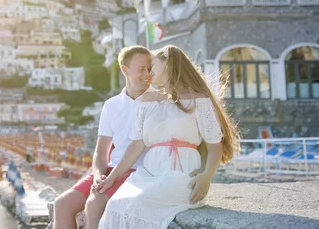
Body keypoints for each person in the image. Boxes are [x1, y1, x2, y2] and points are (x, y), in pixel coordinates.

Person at [96, 45, 240, 229]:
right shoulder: (147, 101)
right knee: (116, 205)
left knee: (139, 202)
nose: (149, 72)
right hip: (148, 173)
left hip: (183, 173)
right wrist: (111, 178)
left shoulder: (200, 99)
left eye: (153, 66)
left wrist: (206, 177)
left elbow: (215, 146)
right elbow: (136, 145)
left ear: (168, 65)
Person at [52, 46, 154, 229]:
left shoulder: (157, 101)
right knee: (62, 204)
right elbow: (101, 151)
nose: (147, 74)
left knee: (94, 202)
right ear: (125, 69)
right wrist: (99, 175)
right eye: (141, 69)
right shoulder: (111, 105)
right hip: (110, 170)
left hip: (138, 172)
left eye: (150, 68)